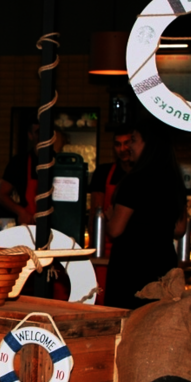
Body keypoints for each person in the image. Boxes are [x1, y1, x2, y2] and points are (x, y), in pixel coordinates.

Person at [104, 120, 188, 310]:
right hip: (163, 263)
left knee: (127, 320)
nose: (129, 146)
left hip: (132, 265)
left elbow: (115, 230)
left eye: (133, 140)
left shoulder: (135, 181)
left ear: (149, 144)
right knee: (156, 319)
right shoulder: (174, 180)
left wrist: (110, 218)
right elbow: (180, 229)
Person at [87, 126, 134, 304]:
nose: (122, 149)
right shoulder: (103, 172)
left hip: (134, 249)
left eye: (127, 143)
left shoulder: (142, 176)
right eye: (117, 144)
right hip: (104, 248)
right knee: (102, 298)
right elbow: (95, 212)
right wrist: (94, 247)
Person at [0, 119, 64, 225]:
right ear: (30, 135)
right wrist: (21, 212)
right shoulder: (19, 162)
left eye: (46, 131)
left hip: (55, 226)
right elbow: (1, 195)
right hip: (28, 226)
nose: (43, 135)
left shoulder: (60, 163)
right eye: (38, 132)